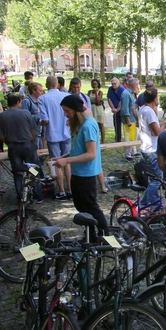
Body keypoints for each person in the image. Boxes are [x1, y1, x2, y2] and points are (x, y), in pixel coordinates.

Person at [52, 95, 109, 243]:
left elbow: (91, 154)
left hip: (86, 174)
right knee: (81, 207)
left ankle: (106, 236)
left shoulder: (88, 125)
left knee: (91, 207)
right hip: (78, 172)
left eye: (67, 110)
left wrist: (67, 161)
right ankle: (90, 235)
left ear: (75, 110)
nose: (65, 114)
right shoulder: (79, 124)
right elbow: (78, 149)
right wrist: (62, 157)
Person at [0, 94, 42, 202]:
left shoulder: (2, 116)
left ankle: (21, 197)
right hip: (28, 145)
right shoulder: (26, 113)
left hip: (13, 147)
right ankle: (38, 194)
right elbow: (33, 130)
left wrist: (9, 143)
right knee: (33, 170)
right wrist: (33, 142)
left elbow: (1, 136)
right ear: (18, 102)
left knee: (18, 173)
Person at [138, 88, 166, 209]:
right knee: (157, 179)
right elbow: (156, 132)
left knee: (153, 178)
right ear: (155, 98)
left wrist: (161, 123)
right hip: (151, 149)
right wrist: (165, 125)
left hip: (146, 147)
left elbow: (152, 128)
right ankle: (144, 203)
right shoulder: (149, 112)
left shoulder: (143, 109)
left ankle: (155, 204)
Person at [39, 76, 71, 200]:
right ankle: (70, 189)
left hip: (52, 134)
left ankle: (62, 191)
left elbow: (45, 120)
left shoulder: (43, 98)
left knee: (56, 162)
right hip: (66, 132)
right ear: (57, 84)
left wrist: (38, 123)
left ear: (47, 85)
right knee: (67, 162)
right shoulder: (66, 96)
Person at [21, 82, 46, 153]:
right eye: (40, 91)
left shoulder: (40, 101)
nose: (42, 92)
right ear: (33, 91)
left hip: (39, 133)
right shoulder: (27, 101)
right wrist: (39, 118)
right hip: (32, 135)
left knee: (41, 155)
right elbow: (24, 117)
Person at [119, 78, 139, 161]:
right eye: (137, 84)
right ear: (133, 85)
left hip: (133, 119)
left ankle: (133, 152)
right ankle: (128, 154)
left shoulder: (131, 93)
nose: (138, 86)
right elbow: (125, 108)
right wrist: (127, 120)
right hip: (129, 120)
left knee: (133, 136)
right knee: (128, 137)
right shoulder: (126, 94)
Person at [107, 78, 125, 143]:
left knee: (124, 124)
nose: (113, 85)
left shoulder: (122, 89)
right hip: (115, 109)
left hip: (122, 109)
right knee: (116, 124)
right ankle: (118, 138)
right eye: (112, 84)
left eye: (115, 84)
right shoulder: (110, 89)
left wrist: (117, 109)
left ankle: (126, 138)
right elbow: (109, 99)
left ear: (118, 83)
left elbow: (122, 100)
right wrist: (113, 108)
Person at [88, 79, 106, 144]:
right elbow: (88, 101)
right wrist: (94, 102)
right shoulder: (89, 92)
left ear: (98, 85)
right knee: (93, 125)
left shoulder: (100, 92)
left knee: (101, 125)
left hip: (99, 110)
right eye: (93, 84)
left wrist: (96, 93)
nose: (94, 85)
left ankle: (103, 141)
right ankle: (95, 140)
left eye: (95, 84)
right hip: (92, 109)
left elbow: (98, 102)